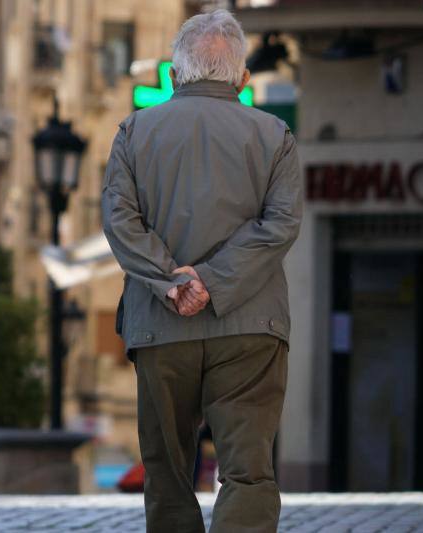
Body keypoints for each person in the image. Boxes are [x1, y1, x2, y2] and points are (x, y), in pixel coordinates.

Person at [102, 9, 302, 533]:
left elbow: (119, 219)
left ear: (173, 74)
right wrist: (211, 283)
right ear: (242, 78)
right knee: (248, 473)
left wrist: (174, 282)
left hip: (161, 326)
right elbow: (281, 224)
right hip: (251, 326)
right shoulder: (274, 134)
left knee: (166, 474)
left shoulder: (134, 131)